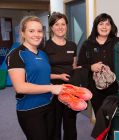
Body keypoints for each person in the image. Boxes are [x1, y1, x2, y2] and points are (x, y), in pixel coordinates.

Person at [7, 16, 62, 140]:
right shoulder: (16, 55)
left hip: (49, 105)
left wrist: (55, 85)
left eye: (39, 31)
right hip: (30, 109)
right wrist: (50, 88)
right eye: (31, 31)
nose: (36, 34)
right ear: (23, 33)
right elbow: (20, 87)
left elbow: (42, 76)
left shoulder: (43, 54)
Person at [41, 12, 78, 140]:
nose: (60, 27)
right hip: (53, 91)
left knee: (70, 124)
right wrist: (59, 76)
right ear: (51, 27)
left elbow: (73, 66)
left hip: (70, 90)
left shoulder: (72, 45)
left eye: (63, 24)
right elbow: (41, 73)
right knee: (54, 125)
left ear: (67, 26)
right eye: (57, 24)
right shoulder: (45, 46)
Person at [78, 13, 119, 115]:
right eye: (101, 24)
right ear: (96, 26)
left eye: (107, 24)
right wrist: (91, 67)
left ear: (111, 27)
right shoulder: (87, 44)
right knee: (100, 117)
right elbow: (80, 65)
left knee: (114, 117)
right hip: (95, 89)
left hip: (115, 88)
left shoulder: (118, 42)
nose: (104, 27)